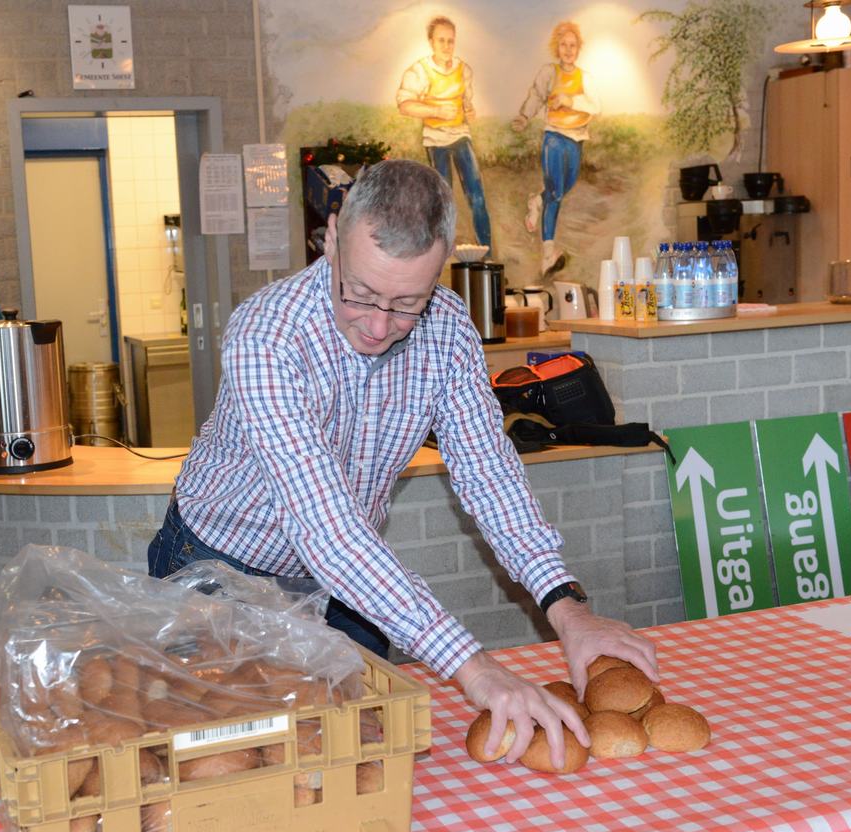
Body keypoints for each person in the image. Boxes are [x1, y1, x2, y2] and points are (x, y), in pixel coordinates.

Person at [148, 159, 657, 765]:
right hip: (218, 567)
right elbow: (329, 531)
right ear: (331, 239)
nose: (378, 325)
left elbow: (489, 475)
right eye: (360, 294)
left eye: (406, 303)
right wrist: (475, 668)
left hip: (344, 583)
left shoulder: (448, 329)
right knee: (227, 765)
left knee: (361, 758)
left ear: (437, 273)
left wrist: (566, 607)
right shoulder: (268, 335)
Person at [396, 16, 492, 254]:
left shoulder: (463, 70)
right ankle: (441, 252)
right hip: (435, 139)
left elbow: (467, 102)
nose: (447, 46)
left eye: (450, 41)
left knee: (477, 194)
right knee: (443, 197)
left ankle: (487, 252)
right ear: (431, 42)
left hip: (461, 135)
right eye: (441, 40)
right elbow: (405, 105)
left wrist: (469, 111)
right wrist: (436, 111)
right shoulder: (420, 71)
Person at [512, 21, 601, 276]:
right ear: (556, 47)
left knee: (565, 186)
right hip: (554, 137)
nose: (568, 50)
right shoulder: (549, 72)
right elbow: (536, 96)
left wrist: (570, 100)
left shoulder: (585, 77)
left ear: (579, 48)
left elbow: (596, 106)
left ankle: (537, 201)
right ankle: (548, 253)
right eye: (563, 45)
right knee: (557, 193)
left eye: (573, 45)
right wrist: (525, 117)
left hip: (576, 138)